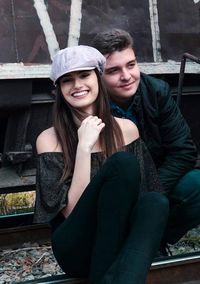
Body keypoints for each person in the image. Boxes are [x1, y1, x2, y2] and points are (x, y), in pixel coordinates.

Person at [33, 45, 169, 284]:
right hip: (77, 247)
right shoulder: (49, 139)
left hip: (118, 239)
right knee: (123, 164)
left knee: (156, 201)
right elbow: (71, 212)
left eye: (84, 75)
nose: (77, 85)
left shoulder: (126, 129)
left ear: (98, 78)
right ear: (60, 90)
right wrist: (83, 148)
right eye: (67, 80)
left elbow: (140, 198)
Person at [91, 28, 200, 250]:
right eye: (113, 70)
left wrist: (149, 191)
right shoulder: (88, 103)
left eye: (131, 65)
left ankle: (152, 239)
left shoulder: (156, 91)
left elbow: (184, 150)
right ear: (98, 75)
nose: (126, 76)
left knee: (196, 185)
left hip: (155, 181)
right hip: (112, 191)